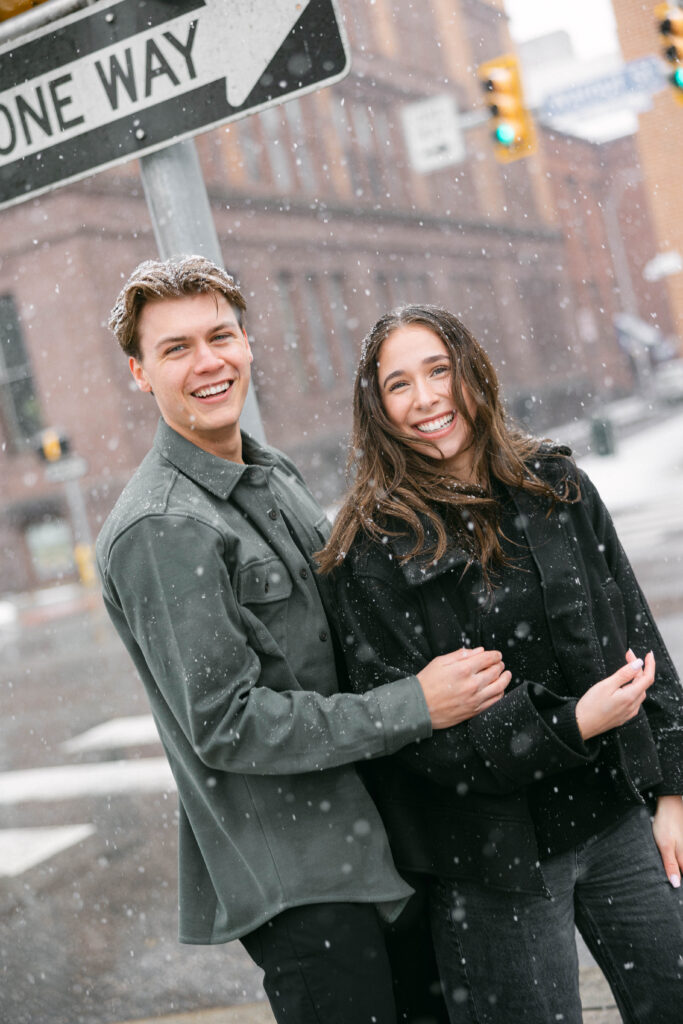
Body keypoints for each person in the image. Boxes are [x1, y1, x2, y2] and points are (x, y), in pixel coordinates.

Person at [95, 258, 510, 1024]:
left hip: (375, 842)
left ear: (247, 343)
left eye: (220, 335)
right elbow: (227, 723)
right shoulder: (163, 527)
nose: (208, 361)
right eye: (176, 348)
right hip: (303, 878)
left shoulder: (268, 471)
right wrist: (412, 706)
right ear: (139, 374)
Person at [318, 304, 683, 1024]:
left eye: (438, 371)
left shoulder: (555, 487)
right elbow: (417, 745)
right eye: (398, 384)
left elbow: (637, 636)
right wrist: (572, 723)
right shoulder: (368, 548)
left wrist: (672, 786)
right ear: (376, 408)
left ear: (471, 375)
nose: (425, 399)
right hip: (491, 860)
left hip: (613, 817)